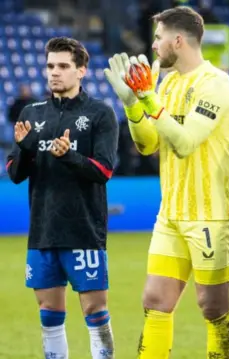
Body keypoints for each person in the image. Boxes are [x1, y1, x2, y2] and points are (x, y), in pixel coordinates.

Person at [104, 6, 229, 358]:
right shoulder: (168, 82)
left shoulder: (216, 84)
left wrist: (148, 98)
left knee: (212, 308)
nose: (154, 44)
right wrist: (133, 104)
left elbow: (185, 142)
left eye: (159, 37)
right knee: (155, 301)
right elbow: (148, 143)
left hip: (210, 214)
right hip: (171, 213)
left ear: (178, 40)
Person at [6, 37, 118, 359]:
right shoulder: (32, 112)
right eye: (50, 66)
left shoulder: (100, 114)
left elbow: (104, 170)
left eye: (64, 66)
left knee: (96, 314)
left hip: (84, 230)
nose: (55, 73)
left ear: (81, 70)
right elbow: (15, 173)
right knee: (49, 315)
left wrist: (69, 156)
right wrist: (26, 147)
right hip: (42, 232)